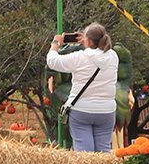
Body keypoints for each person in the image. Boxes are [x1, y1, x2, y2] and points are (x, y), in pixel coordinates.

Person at [46, 23, 119, 153]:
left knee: (84, 153)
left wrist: (55, 43)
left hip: (82, 110)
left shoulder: (79, 57)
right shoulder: (113, 56)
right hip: (107, 110)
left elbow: (52, 61)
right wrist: (87, 41)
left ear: (89, 41)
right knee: (104, 151)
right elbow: (97, 52)